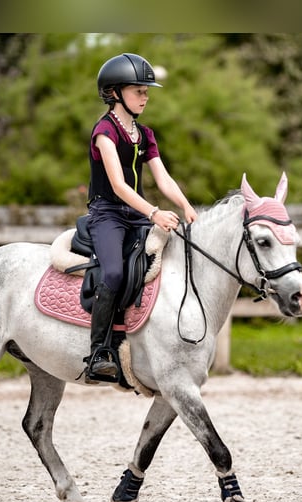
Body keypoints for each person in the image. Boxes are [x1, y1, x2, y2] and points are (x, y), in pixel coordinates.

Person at [85, 53, 198, 379]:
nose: (146, 98)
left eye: (147, 92)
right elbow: (119, 186)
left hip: (137, 214)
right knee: (115, 274)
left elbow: (162, 179)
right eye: (139, 91)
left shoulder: (145, 134)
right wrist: (154, 212)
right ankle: (98, 352)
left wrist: (186, 207)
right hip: (108, 214)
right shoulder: (105, 132)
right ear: (115, 92)